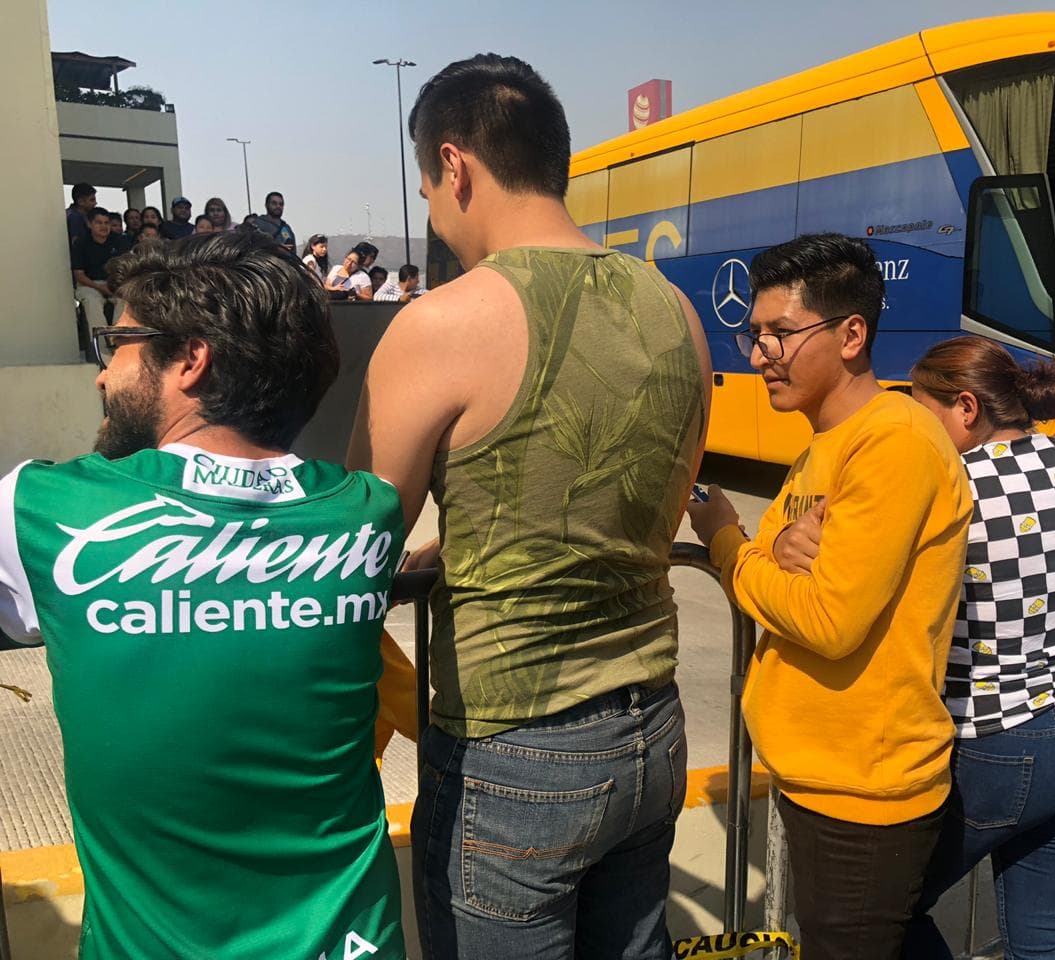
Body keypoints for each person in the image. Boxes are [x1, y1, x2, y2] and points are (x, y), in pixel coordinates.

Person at [348, 53, 711, 960]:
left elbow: (353, 538)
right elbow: (644, 505)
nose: (434, 211)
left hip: (516, 750)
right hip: (653, 727)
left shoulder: (442, 323)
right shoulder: (676, 311)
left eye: (427, 188)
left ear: (455, 164)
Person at [0, 231, 407, 959]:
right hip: (352, 942)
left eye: (116, 344)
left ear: (191, 358)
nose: (102, 376)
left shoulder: (41, 509)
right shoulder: (368, 512)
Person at [686, 233, 971, 960]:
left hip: (866, 793)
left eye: (781, 333)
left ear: (851, 335)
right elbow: (783, 564)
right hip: (823, 777)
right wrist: (775, 552)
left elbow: (827, 618)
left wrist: (726, 544)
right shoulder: (823, 446)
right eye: (754, 335)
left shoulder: (895, 442)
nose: (760, 354)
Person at [901, 336, 1055, 960]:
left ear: (965, 407)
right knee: (1043, 933)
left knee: (884, 913)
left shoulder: (950, 484)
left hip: (996, 740)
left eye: (922, 411)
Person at [71, 207, 128, 328]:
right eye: (99, 223)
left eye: (106, 223)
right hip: (90, 284)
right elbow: (79, 275)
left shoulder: (120, 240)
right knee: (91, 301)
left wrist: (115, 285)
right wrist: (100, 287)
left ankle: (119, 336)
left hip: (115, 283)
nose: (104, 226)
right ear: (89, 224)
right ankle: (101, 339)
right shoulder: (80, 243)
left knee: (125, 298)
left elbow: (126, 267)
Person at [67, 182, 96, 248]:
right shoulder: (75, 217)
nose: (95, 203)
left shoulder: (71, 214)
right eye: (92, 200)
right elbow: (75, 243)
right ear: (81, 202)